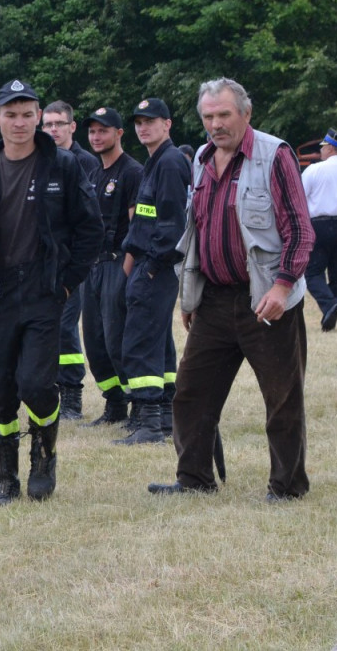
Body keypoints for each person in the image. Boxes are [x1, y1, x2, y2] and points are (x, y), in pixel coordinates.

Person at [149, 77, 314, 500]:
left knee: (282, 399)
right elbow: (196, 231)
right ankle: (194, 479)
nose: (215, 125)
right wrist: (191, 296)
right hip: (215, 300)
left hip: (266, 299)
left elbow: (299, 229)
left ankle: (287, 487)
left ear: (246, 113)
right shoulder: (201, 159)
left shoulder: (274, 155)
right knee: (190, 395)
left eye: (224, 114)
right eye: (208, 117)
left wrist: (281, 287)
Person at [0, 79, 103, 506]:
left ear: (38, 117)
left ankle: (44, 455)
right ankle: (5, 477)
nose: (19, 123)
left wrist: (65, 281)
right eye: (11, 114)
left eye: (27, 114)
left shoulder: (63, 165)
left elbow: (90, 229)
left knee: (36, 384)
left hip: (44, 290)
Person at [111, 98, 190, 445]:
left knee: (140, 340)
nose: (143, 127)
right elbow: (144, 219)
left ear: (167, 124)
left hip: (155, 265)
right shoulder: (155, 162)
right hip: (146, 263)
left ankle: (148, 422)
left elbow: (173, 223)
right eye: (139, 122)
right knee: (158, 341)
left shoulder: (170, 163)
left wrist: (153, 267)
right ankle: (168, 414)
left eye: (151, 121)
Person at [80, 107, 142, 427]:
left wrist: (127, 271)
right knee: (95, 343)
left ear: (119, 133)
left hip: (118, 264)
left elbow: (137, 228)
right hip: (92, 267)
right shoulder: (92, 173)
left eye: (103, 130)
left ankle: (138, 407)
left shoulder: (132, 171)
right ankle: (114, 405)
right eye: (92, 131)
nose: (96, 136)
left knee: (118, 341)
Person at [43, 100, 102, 421]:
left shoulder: (85, 162)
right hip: (42, 262)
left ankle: (72, 397)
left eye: (58, 124)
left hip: (74, 263)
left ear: (71, 127)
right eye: (48, 125)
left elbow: (90, 220)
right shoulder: (39, 159)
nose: (53, 130)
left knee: (66, 329)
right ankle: (49, 391)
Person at [301, 128, 337, 331]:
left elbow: (300, 198)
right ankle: (333, 306)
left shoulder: (314, 170)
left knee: (312, 271)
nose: (321, 151)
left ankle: (329, 305)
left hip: (319, 224)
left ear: (331, 149)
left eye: (323, 147)